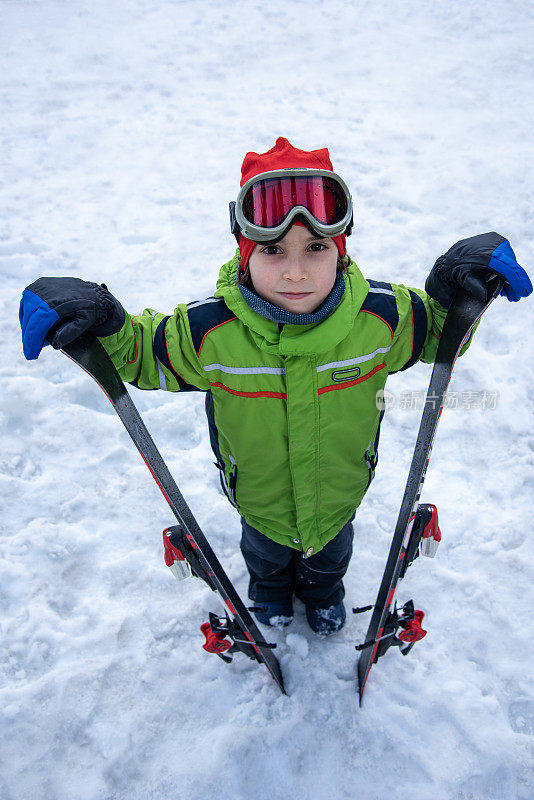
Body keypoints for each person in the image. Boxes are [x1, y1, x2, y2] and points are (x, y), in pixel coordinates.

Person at [19, 137, 532, 635]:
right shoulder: (210, 332)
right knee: (264, 560)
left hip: (339, 502)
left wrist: (456, 292)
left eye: (315, 248)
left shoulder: (382, 319)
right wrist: (104, 325)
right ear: (245, 253)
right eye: (272, 250)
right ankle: (268, 594)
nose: (296, 272)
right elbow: (142, 352)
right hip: (258, 505)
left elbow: (439, 334)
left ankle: (324, 595)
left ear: (342, 251)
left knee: (331, 562)